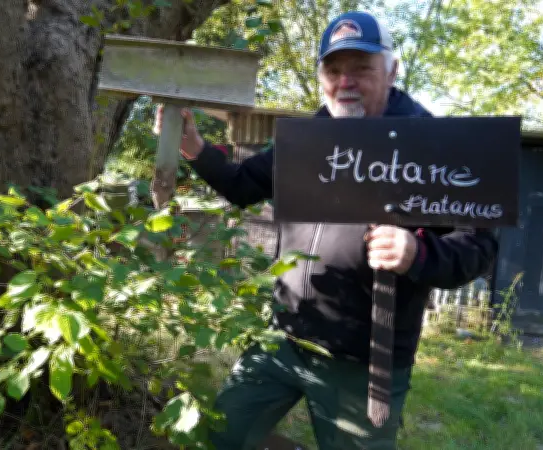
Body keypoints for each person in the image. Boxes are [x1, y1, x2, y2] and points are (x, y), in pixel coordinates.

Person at [154, 10, 498, 450]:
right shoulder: (310, 136)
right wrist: (196, 149)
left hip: (364, 361)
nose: (345, 81)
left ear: (391, 70)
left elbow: (479, 244)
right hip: (283, 337)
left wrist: (418, 253)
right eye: (334, 70)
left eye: (361, 69)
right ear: (321, 77)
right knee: (219, 438)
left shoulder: (431, 143)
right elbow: (244, 185)